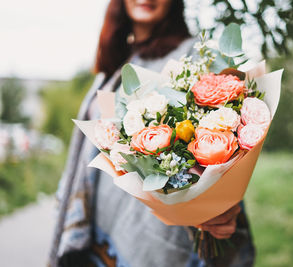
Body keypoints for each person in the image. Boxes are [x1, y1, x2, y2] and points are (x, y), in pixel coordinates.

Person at [49, 0, 255, 266]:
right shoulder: (117, 63)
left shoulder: (192, 55)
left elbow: (220, 140)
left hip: (158, 237)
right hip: (99, 230)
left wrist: (214, 209)